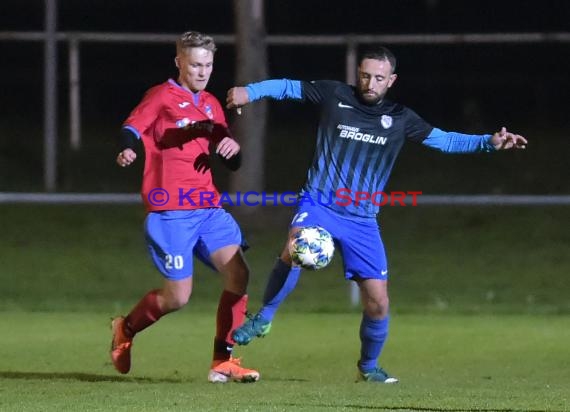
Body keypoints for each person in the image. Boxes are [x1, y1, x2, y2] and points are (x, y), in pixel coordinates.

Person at [225, 46, 527, 383]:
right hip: (320, 204)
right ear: (358, 74)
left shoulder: (400, 118)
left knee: (378, 303)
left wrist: (489, 141)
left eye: (379, 78)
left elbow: (444, 140)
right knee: (296, 246)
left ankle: (368, 368)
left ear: (391, 80)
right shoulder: (333, 94)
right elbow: (285, 86)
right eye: (366, 75)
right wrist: (248, 91)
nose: (370, 83)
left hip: (362, 220)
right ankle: (264, 316)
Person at [111, 31, 260, 383]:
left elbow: (230, 156)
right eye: (195, 64)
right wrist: (128, 147)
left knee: (239, 274)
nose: (202, 71)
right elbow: (132, 128)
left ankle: (223, 361)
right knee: (178, 297)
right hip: (170, 212)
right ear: (178, 62)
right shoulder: (161, 96)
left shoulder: (210, 103)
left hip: (207, 208)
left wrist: (231, 150)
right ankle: (125, 328)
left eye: (208, 65)